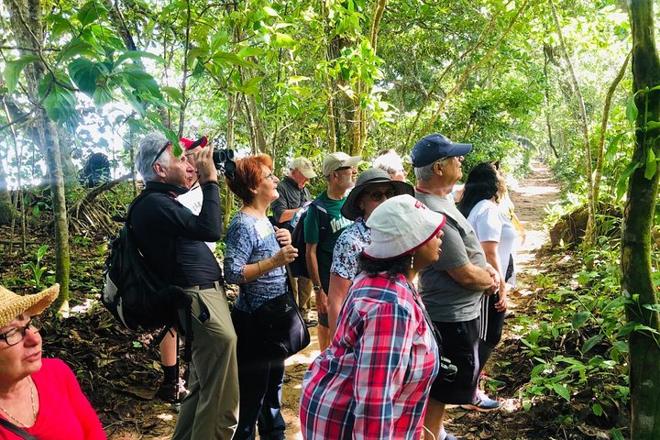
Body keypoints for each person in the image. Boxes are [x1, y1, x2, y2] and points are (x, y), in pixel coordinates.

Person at [300, 194, 446, 439]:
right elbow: (374, 404)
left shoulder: (386, 280)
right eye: (431, 232)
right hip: (346, 425)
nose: (440, 235)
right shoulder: (390, 306)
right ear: (411, 244)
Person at [133, 132, 238, 440]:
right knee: (220, 390)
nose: (187, 162)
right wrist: (210, 181)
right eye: (179, 159)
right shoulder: (154, 204)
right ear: (159, 170)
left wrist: (201, 177)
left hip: (199, 297)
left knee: (204, 383)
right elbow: (210, 229)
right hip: (197, 298)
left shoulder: (161, 201)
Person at [411, 133, 499, 440]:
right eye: (455, 157)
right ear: (438, 168)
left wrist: (487, 269)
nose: (460, 161)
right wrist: (490, 281)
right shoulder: (432, 211)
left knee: (444, 380)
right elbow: (461, 273)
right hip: (451, 315)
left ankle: (437, 431)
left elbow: (468, 253)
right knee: (444, 383)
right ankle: (430, 434)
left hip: (458, 310)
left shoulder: (440, 200)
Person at [224, 154, 298, 440]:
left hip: (274, 318)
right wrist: (275, 261)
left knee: (273, 390)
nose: (276, 179)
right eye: (269, 176)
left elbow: (274, 262)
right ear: (254, 187)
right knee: (253, 396)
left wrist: (284, 245)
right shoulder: (242, 224)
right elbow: (232, 272)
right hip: (254, 322)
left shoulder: (264, 220)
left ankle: (274, 434)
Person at [0, 283, 106, 439]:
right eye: (12, 332)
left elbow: (94, 433)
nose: (34, 338)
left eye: (29, 323)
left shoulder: (57, 374)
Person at [157, 137, 215, 403]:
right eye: (188, 157)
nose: (193, 163)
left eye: (198, 156)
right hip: (175, 269)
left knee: (194, 327)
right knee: (170, 322)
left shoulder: (200, 190)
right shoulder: (171, 194)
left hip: (200, 269)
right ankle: (171, 380)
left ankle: (192, 377)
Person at [326, 168, 414, 337]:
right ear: (361, 203)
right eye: (377, 196)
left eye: (389, 194)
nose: (385, 200)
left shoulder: (399, 233)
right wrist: (340, 348)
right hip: (362, 330)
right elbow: (337, 299)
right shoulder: (351, 241)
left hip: (397, 323)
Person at [458, 162, 518, 411]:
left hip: (488, 284)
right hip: (489, 286)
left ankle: (473, 383)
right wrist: (500, 287)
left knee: (485, 335)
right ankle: (470, 392)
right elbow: (489, 252)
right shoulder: (488, 210)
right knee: (487, 336)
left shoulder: (479, 208)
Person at [304, 151, 360, 351]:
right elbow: (310, 252)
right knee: (327, 324)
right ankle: (325, 364)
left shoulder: (353, 202)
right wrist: (319, 291)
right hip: (329, 280)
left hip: (354, 277)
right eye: (348, 169)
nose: (354, 171)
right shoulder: (318, 209)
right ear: (335, 175)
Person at [270, 157, 316, 323]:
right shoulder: (281, 188)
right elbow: (280, 215)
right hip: (286, 238)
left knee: (307, 275)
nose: (307, 179)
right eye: (304, 175)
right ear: (295, 172)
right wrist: (303, 209)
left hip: (303, 237)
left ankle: (304, 312)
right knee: (291, 279)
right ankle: (292, 314)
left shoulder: (304, 189)